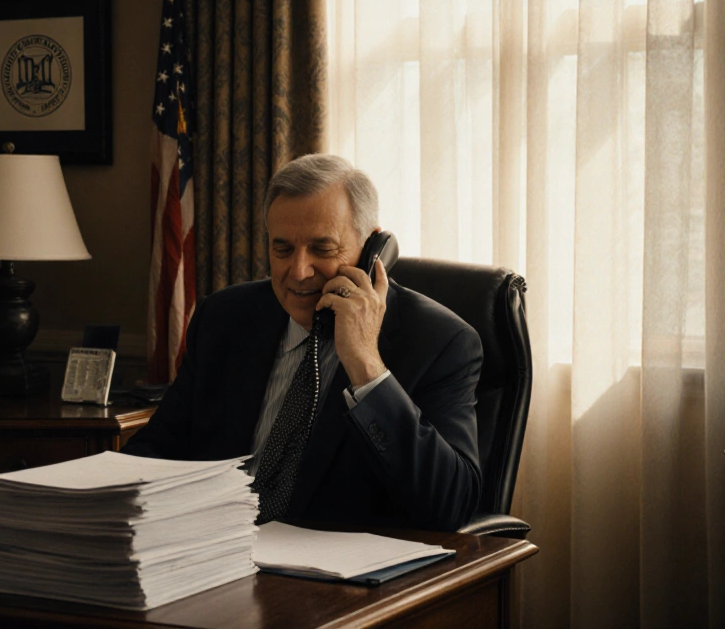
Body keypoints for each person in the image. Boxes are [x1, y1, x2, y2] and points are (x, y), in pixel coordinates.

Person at [122, 154, 482, 531]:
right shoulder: (223, 318)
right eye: (283, 249)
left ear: (372, 248)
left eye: (322, 249)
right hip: (213, 545)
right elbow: (157, 449)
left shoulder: (440, 342)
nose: (298, 271)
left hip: (336, 562)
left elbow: (450, 505)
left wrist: (366, 366)